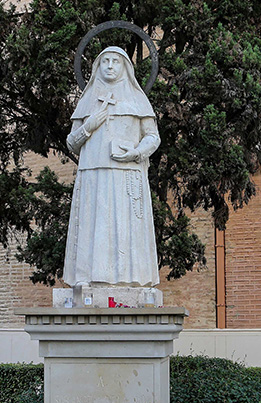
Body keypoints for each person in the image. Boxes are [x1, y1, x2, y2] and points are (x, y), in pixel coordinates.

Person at [64, 46, 160, 288]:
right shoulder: (87, 100)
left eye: (115, 61)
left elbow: (152, 136)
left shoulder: (138, 99)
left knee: (126, 228)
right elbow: (72, 143)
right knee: (92, 226)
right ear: (97, 67)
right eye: (105, 61)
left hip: (127, 175)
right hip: (93, 174)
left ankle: (129, 279)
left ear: (125, 66)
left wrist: (136, 152)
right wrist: (89, 126)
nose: (109, 66)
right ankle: (87, 278)